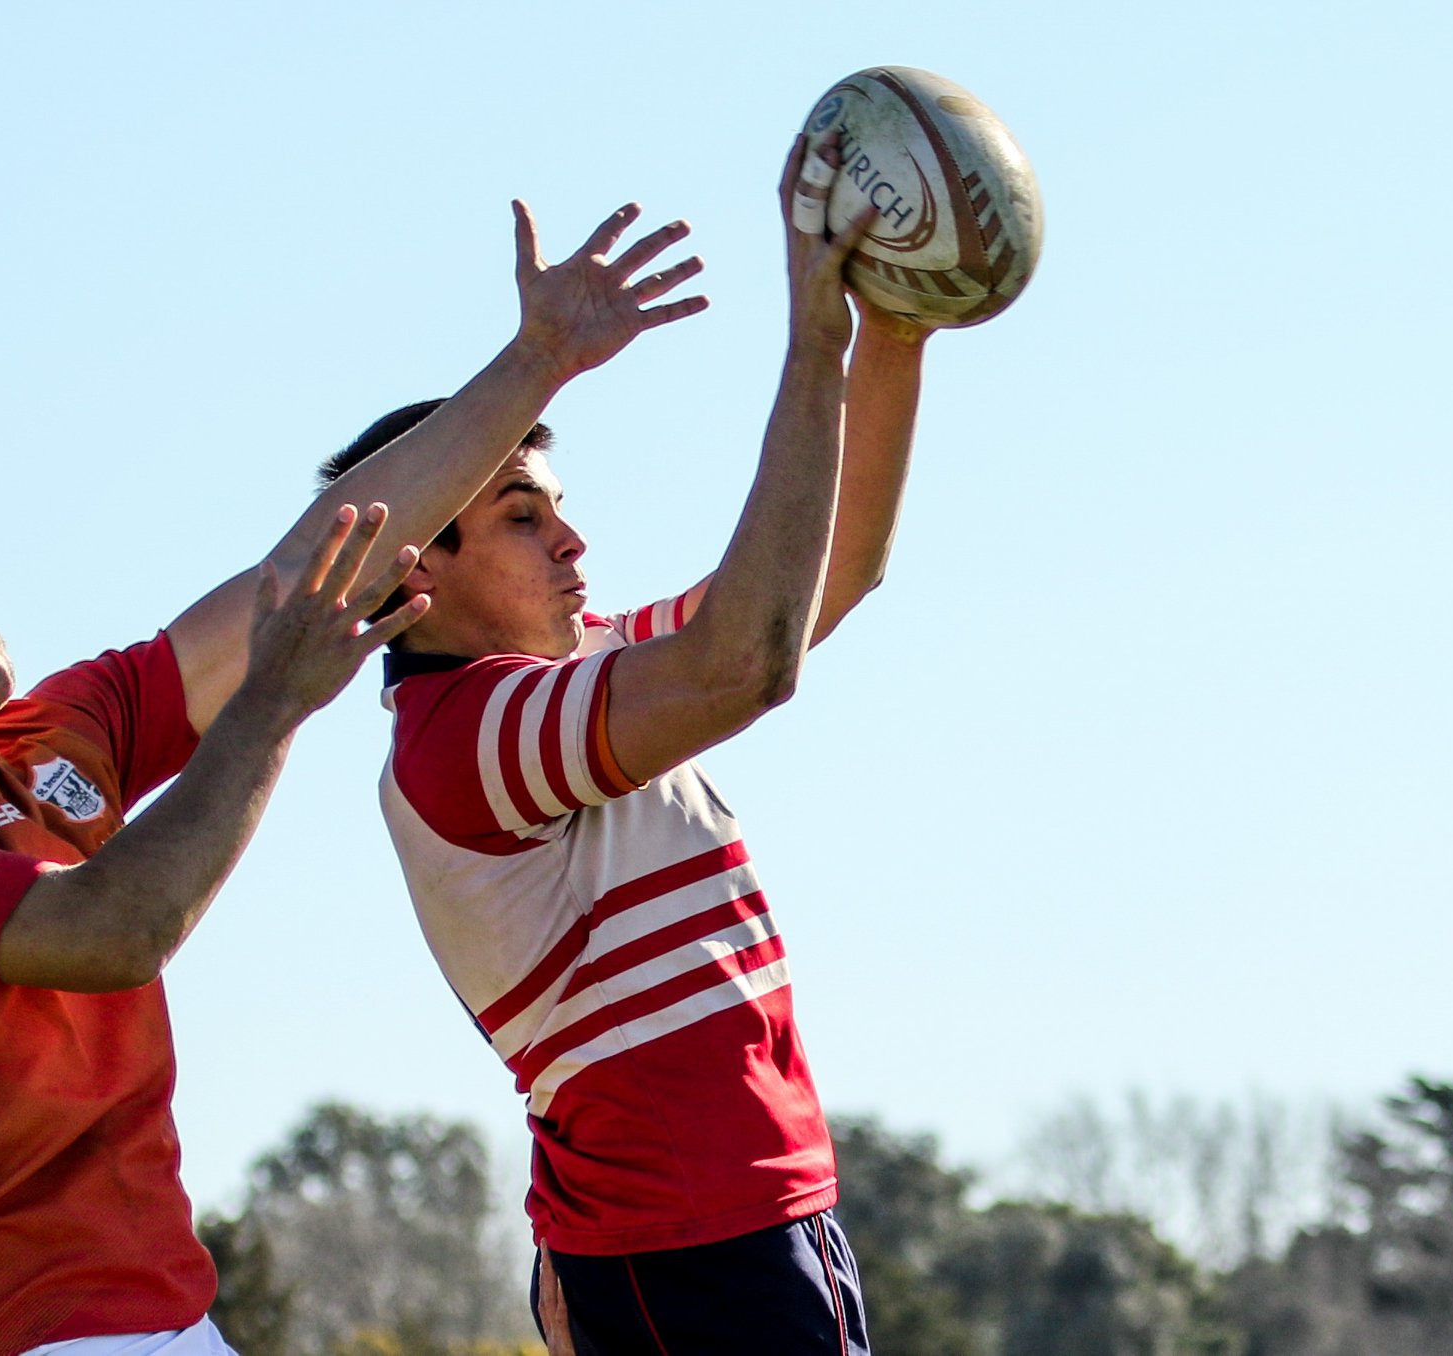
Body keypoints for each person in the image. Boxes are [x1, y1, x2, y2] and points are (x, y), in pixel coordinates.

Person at [0, 201, 704, 1356]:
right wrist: (270, 707)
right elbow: (113, 931)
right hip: (20, 1337)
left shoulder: (44, 735)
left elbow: (307, 576)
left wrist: (537, 361)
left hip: (165, 1321)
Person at [318, 136, 934, 1353]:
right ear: (415, 569)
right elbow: (751, 662)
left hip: (758, 1218)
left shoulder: (579, 665)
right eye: (519, 515)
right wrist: (811, 345)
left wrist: (895, 334)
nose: (572, 541)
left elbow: (830, 576)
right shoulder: (467, 735)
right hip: (686, 1251)